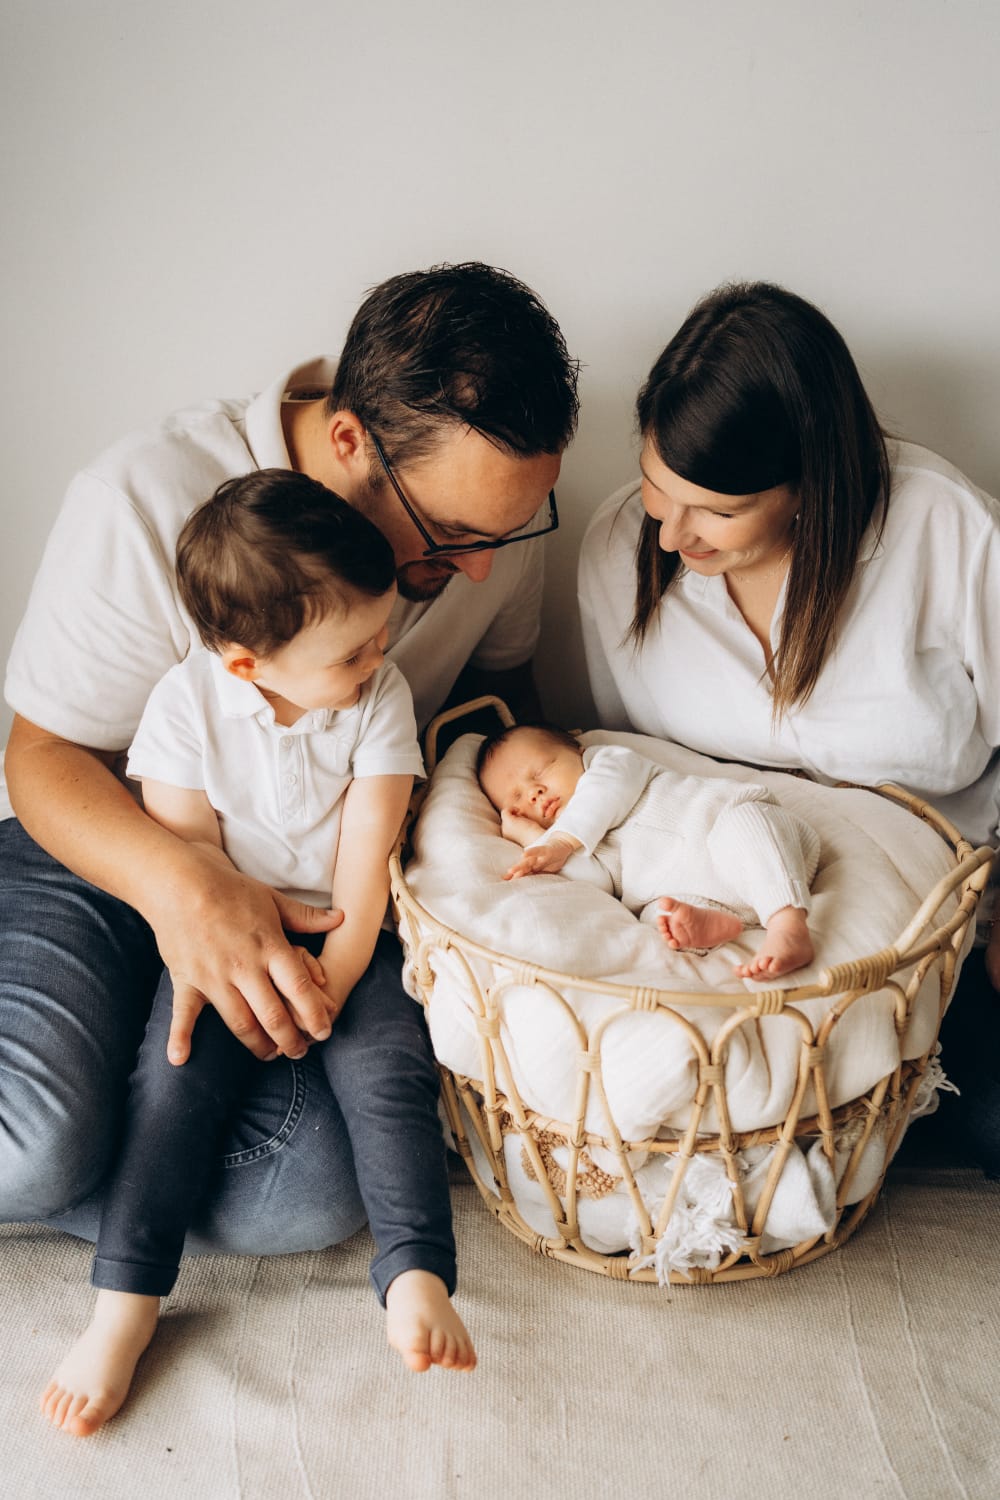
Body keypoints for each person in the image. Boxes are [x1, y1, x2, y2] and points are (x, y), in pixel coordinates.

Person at [1, 262, 579, 1252]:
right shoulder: (145, 494)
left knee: (311, 1194)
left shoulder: (492, 530)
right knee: (32, 1150)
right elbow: (42, 755)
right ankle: (95, 1169)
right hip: (104, 849)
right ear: (350, 441)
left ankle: (127, 1172)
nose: (484, 567)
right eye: (450, 534)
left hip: (312, 884)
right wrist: (189, 889)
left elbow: (498, 712)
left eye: (510, 531)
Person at [41, 470, 475, 1437]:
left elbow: (367, 856)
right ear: (246, 664)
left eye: (380, 635)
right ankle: (125, 1304)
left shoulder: (378, 694)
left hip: (348, 930)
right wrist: (257, 966)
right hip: (228, 937)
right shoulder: (184, 707)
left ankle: (417, 1273)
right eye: (350, 651)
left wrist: (338, 976)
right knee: (173, 1077)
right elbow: (194, 861)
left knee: (392, 1073)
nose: (378, 656)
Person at [578, 280, 1000, 1172]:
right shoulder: (619, 547)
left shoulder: (944, 530)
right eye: (657, 488)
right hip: (724, 913)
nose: (671, 537)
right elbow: (625, 759)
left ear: (811, 482)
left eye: (719, 512)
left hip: (926, 921)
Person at [476, 723, 819, 978]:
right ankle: (713, 927)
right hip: (695, 892)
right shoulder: (567, 843)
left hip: (737, 835)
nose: (534, 792)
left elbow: (603, 796)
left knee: (747, 825)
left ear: (579, 751)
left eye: (540, 770)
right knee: (660, 915)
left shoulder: (609, 765)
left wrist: (560, 841)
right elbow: (593, 882)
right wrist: (534, 838)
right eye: (517, 799)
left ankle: (787, 924)